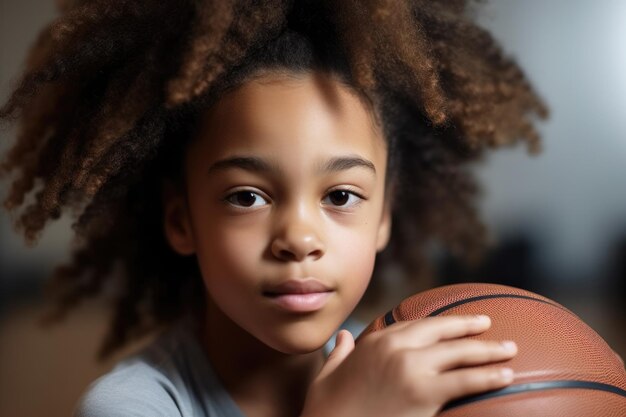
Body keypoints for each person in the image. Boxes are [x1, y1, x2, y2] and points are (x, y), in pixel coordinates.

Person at [0, 1, 547, 416]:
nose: (298, 238)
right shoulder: (133, 406)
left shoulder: (416, 379)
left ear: (383, 215)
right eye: (248, 196)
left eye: (340, 196)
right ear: (181, 220)